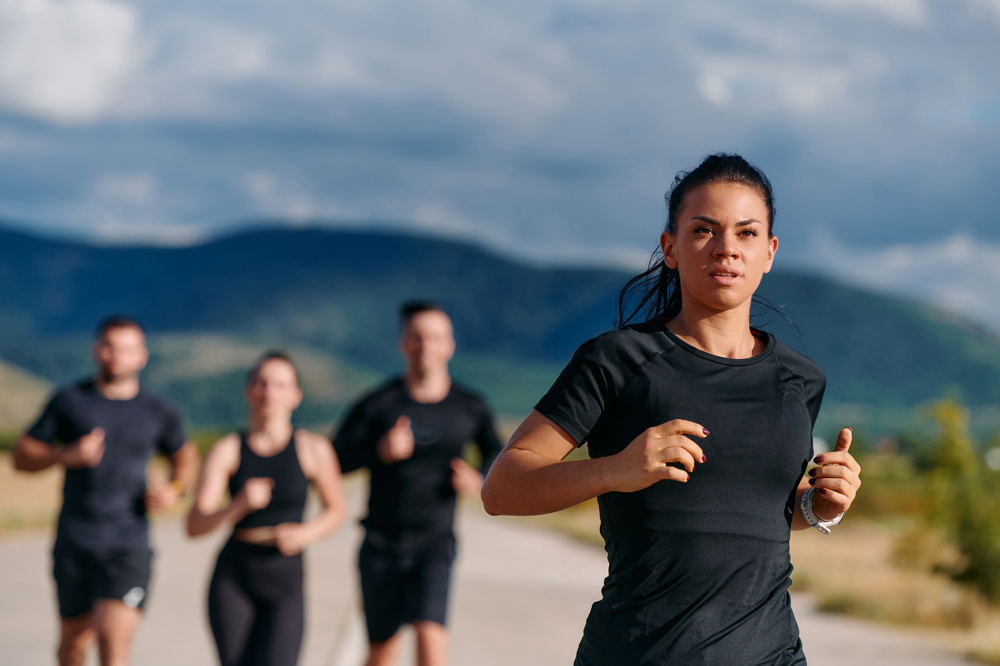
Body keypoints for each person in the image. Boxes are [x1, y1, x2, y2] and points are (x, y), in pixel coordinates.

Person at [481, 154, 863, 665]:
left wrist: (822, 506)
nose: (727, 248)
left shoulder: (801, 378)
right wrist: (616, 469)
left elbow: (757, 511)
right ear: (671, 248)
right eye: (704, 230)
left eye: (746, 233)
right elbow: (502, 487)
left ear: (769, 252)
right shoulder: (618, 360)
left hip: (771, 653)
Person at [12, 315, 200, 666]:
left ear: (142, 356)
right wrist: (64, 456)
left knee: (113, 645)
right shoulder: (70, 401)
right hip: (75, 540)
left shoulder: (157, 410)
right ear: (97, 351)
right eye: (110, 347)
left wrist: (175, 490)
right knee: (74, 644)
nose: (117, 356)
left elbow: (185, 455)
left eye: (127, 349)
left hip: (128, 543)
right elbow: (23, 456)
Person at [332, 301, 504, 666]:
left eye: (435, 337)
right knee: (383, 648)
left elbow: (497, 451)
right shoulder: (379, 404)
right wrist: (378, 450)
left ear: (449, 346)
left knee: (431, 642)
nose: (426, 346)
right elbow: (334, 459)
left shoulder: (469, 406)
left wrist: (478, 477)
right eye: (417, 337)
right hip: (381, 543)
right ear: (403, 344)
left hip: (435, 543)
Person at [186, 351, 347, 666]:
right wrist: (237, 506)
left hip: (286, 580)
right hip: (234, 577)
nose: (269, 393)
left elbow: (336, 510)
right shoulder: (228, 451)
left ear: (296, 395)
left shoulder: (314, 450)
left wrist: (305, 533)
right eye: (261, 383)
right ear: (248, 391)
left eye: (280, 385)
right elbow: (194, 525)